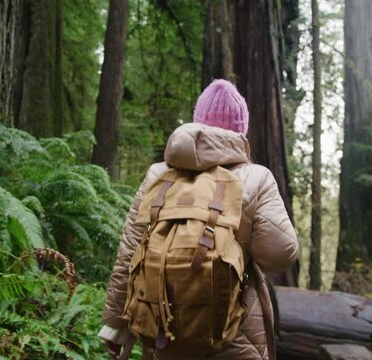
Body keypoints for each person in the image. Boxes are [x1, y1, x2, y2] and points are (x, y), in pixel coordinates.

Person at [98, 79, 299, 360]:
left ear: (197, 123)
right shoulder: (256, 178)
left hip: (163, 333)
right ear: (241, 129)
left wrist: (115, 323)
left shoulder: (158, 175)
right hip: (234, 335)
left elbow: (130, 254)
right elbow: (280, 255)